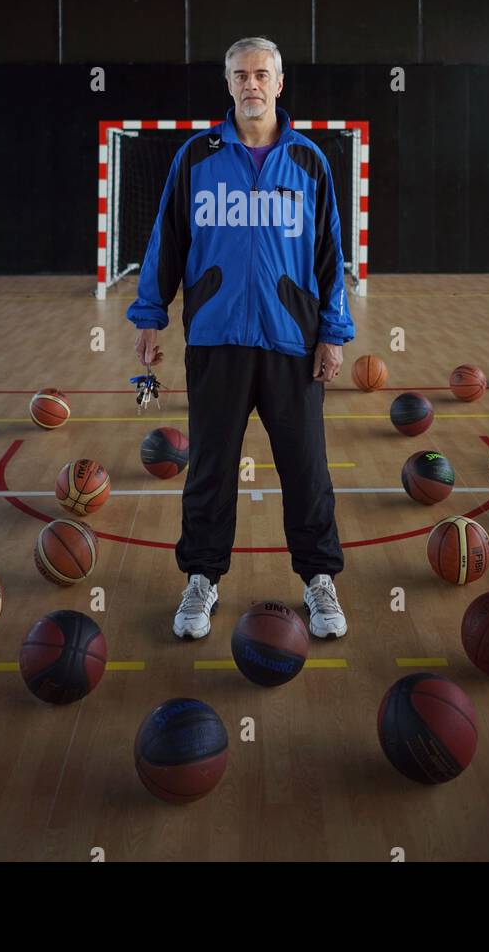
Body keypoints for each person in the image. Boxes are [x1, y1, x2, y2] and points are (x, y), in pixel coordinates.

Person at [126, 36, 355, 640]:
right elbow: (165, 240)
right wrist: (150, 315)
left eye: (261, 75)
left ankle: (318, 579)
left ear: (280, 84)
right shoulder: (196, 158)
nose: (251, 85)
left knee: (306, 469)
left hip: (292, 342)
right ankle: (202, 577)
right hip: (216, 339)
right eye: (239, 75)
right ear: (227, 84)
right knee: (210, 467)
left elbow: (331, 255)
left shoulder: (309, 161)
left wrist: (333, 333)